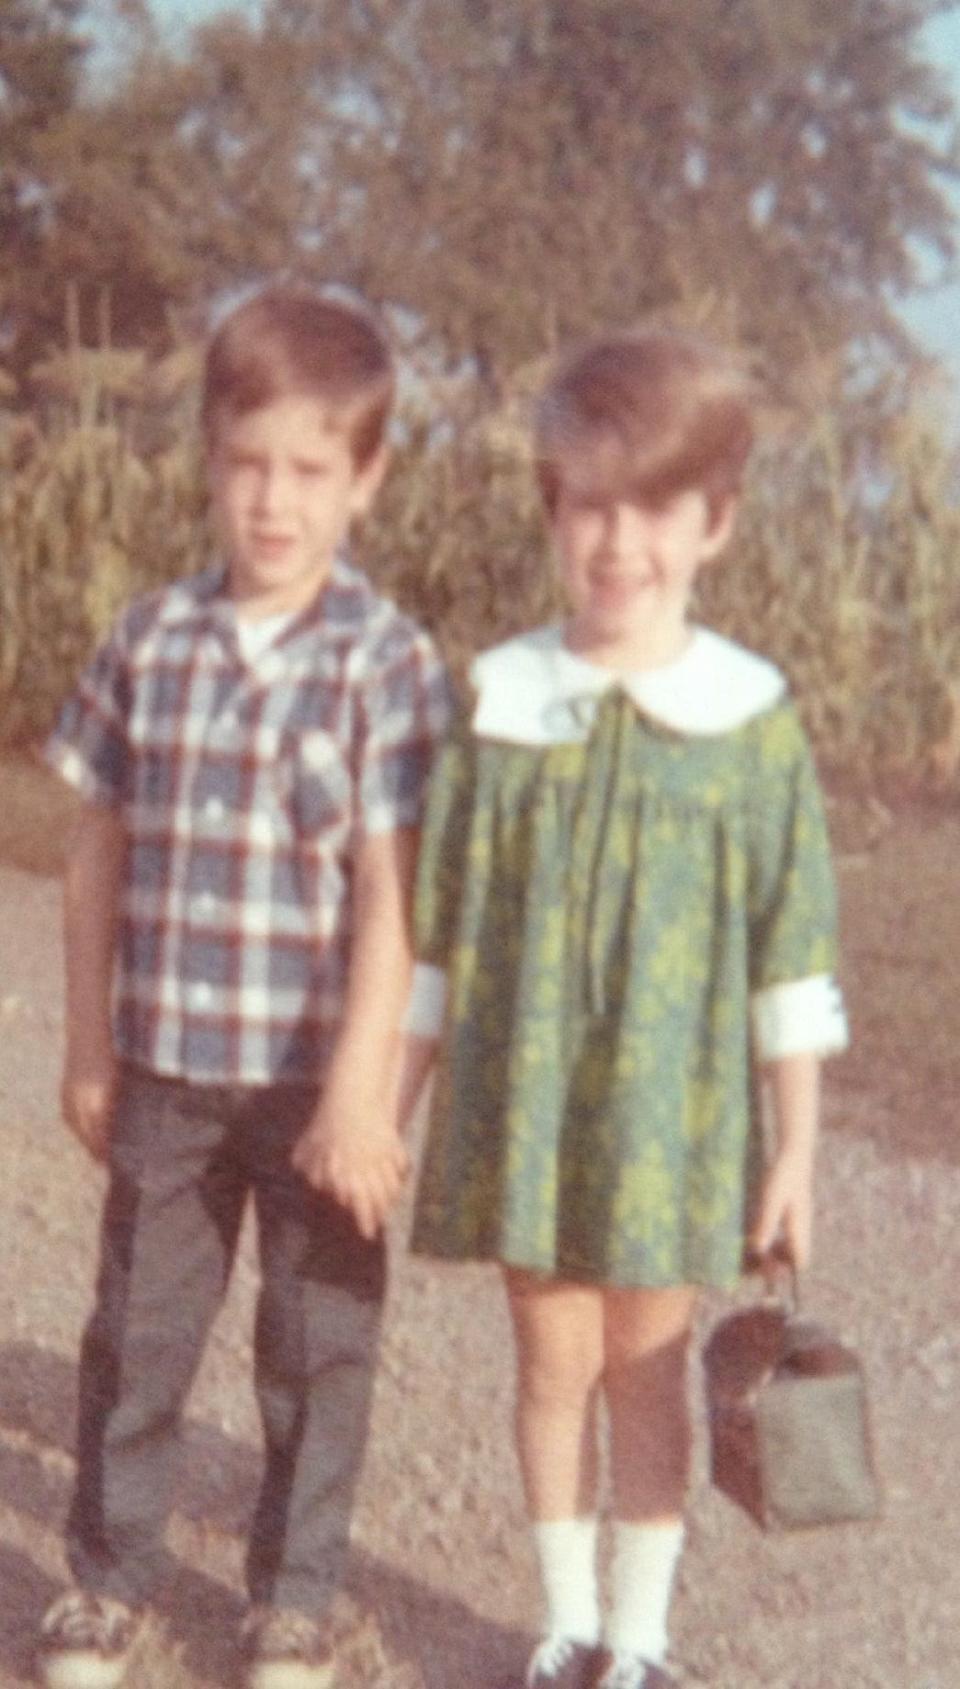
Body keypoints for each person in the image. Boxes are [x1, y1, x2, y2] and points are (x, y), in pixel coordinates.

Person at [400, 329, 848, 1689]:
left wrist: (794, 1149)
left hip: (672, 1113)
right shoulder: (500, 700)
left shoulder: (751, 720)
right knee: (551, 1363)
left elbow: (792, 952)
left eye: (654, 507)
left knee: (648, 1370)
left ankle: (642, 1643)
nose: (618, 540)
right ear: (551, 506)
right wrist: (389, 1101)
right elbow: (439, 927)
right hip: (530, 1103)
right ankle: (563, 1625)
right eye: (588, 502)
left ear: (711, 522)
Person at [37, 284, 450, 1689]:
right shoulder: (147, 642)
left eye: (310, 470)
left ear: (366, 478)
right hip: (165, 1063)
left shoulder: (385, 663)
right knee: (138, 1333)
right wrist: (87, 1039)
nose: (275, 501)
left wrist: (362, 1092)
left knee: (317, 1344)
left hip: (317, 1093)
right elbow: (92, 853)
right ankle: (107, 1577)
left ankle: (295, 1596)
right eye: (248, 463)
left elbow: (400, 893)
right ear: (209, 457)